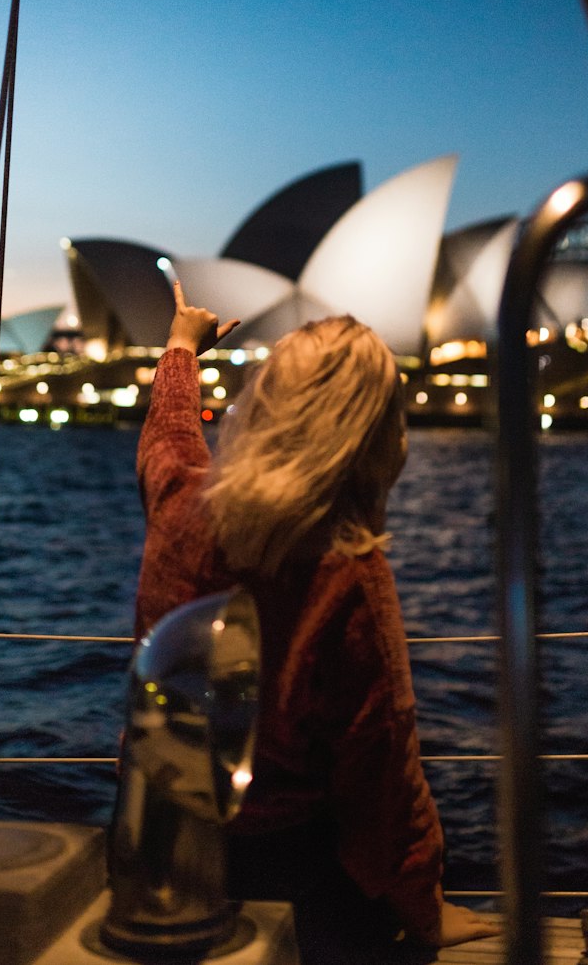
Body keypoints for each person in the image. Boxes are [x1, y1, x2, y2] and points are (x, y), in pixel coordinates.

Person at [132, 282, 498, 961]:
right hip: (290, 880)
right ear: (374, 434)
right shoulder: (346, 572)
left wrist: (181, 347)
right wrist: (424, 909)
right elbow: (381, 779)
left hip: (163, 856)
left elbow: (169, 433)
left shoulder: (181, 503)